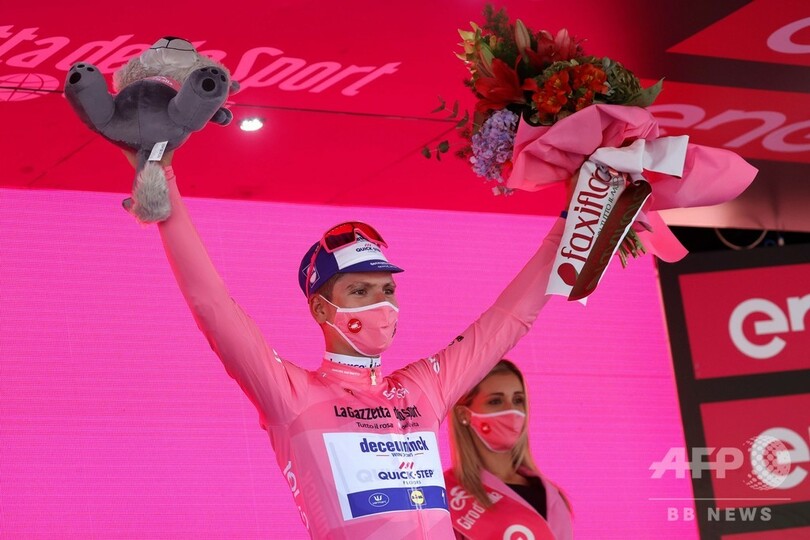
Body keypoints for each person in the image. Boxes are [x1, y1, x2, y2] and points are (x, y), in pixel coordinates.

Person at [132, 150, 566, 539]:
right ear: (321, 310)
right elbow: (212, 306)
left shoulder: (423, 388)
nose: (382, 304)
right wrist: (163, 178)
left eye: (387, 290)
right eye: (360, 291)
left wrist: (576, 222)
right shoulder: (293, 395)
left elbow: (509, 320)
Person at [445, 360, 573, 539]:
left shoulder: (552, 495)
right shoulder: (445, 497)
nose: (512, 411)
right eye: (496, 401)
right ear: (463, 414)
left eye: (518, 400)